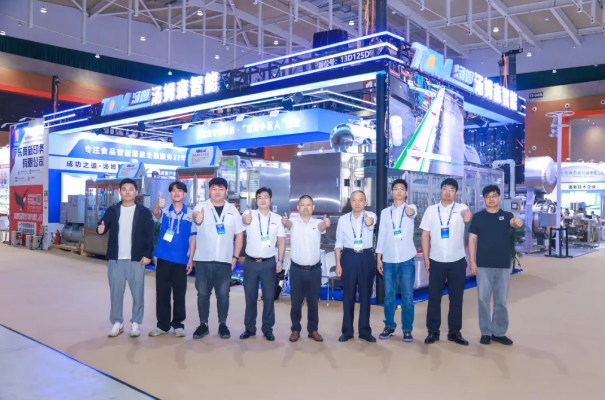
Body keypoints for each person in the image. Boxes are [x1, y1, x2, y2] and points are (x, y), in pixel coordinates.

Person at [96, 178, 154, 338]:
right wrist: (100, 229)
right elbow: (102, 225)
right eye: (124, 189)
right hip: (116, 259)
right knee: (116, 292)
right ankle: (117, 323)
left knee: (138, 293)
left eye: (130, 189)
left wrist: (148, 255)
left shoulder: (144, 212)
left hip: (137, 259)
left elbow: (149, 236)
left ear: (136, 192)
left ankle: (136, 323)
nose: (127, 192)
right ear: (120, 192)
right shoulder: (113, 210)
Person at [420, 178, 472, 346]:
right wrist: (426, 258)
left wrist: (468, 217)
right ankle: (432, 332)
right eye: (445, 189)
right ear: (440, 191)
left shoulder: (461, 208)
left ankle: (454, 332)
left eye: (452, 189)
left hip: (457, 261)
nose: (448, 192)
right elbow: (425, 235)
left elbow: (467, 217)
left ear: (456, 193)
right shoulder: (431, 210)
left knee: (456, 299)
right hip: (436, 261)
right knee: (434, 298)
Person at [469, 185, 523, 346]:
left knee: (501, 301)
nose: (491, 199)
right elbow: (472, 240)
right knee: (483, 300)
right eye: (487, 196)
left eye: (494, 195)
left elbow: (514, 223)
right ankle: (485, 332)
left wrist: (517, 222)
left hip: (503, 265)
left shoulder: (506, 216)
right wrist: (472, 262)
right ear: (484, 199)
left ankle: (499, 333)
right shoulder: (478, 217)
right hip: (483, 265)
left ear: (499, 197)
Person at [191, 177, 244, 339]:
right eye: (214, 189)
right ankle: (203, 324)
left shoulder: (232, 210)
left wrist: (235, 257)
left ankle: (222, 324)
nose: (217, 192)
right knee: (203, 294)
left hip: (224, 260)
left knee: (223, 294)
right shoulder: (201, 206)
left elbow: (239, 235)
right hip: (203, 259)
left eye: (221, 189)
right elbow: (195, 215)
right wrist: (196, 216)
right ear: (209, 191)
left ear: (226, 191)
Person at [149, 181, 196, 338]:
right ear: (170, 194)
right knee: (162, 293)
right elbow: (155, 213)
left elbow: (193, 238)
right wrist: (157, 204)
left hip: (181, 260)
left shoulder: (191, 214)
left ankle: (178, 324)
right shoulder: (164, 211)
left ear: (185, 194)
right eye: (174, 190)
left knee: (179, 294)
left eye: (180, 190)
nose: (177, 193)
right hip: (163, 257)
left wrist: (191, 258)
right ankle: (162, 325)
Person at [239, 187, 286, 342]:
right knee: (250, 296)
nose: (263, 200)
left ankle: (267, 329)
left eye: (266, 197)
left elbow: (281, 240)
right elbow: (243, 221)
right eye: (260, 197)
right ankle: (249, 328)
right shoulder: (249, 214)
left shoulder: (277, 219)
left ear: (271, 200)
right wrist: (245, 220)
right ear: (256, 200)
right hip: (251, 263)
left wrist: (280, 260)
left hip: (268, 263)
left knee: (269, 297)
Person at [282, 195, 329, 343]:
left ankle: (313, 330)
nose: (306, 207)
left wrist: (326, 224)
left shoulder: (318, 223)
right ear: (298, 207)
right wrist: (285, 221)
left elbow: (322, 227)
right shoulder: (293, 221)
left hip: (314, 270)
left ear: (313, 207)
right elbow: (288, 224)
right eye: (302, 205)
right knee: (296, 302)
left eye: (308, 205)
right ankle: (295, 330)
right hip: (297, 270)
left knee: (313, 302)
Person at [376, 179, 418, 342]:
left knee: (407, 296)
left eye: (402, 189)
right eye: (396, 189)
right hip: (388, 259)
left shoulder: (411, 208)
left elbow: (412, 213)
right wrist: (379, 257)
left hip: (406, 259)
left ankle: (407, 329)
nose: (399, 191)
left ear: (406, 192)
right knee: (389, 296)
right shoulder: (385, 212)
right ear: (391, 192)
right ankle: (389, 326)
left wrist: (410, 211)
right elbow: (382, 235)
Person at [335, 190, 377, 343]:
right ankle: (347, 331)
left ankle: (365, 331)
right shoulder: (343, 220)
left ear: (365, 202)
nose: (357, 203)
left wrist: (369, 222)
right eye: (354, 200)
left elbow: (371, 223)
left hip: (366, 257)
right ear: (350, 202)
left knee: (366, 295)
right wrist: (338, 263)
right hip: (348, 257)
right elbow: (338, 243)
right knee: (348, 295)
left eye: (361, 200)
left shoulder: (371, 215)